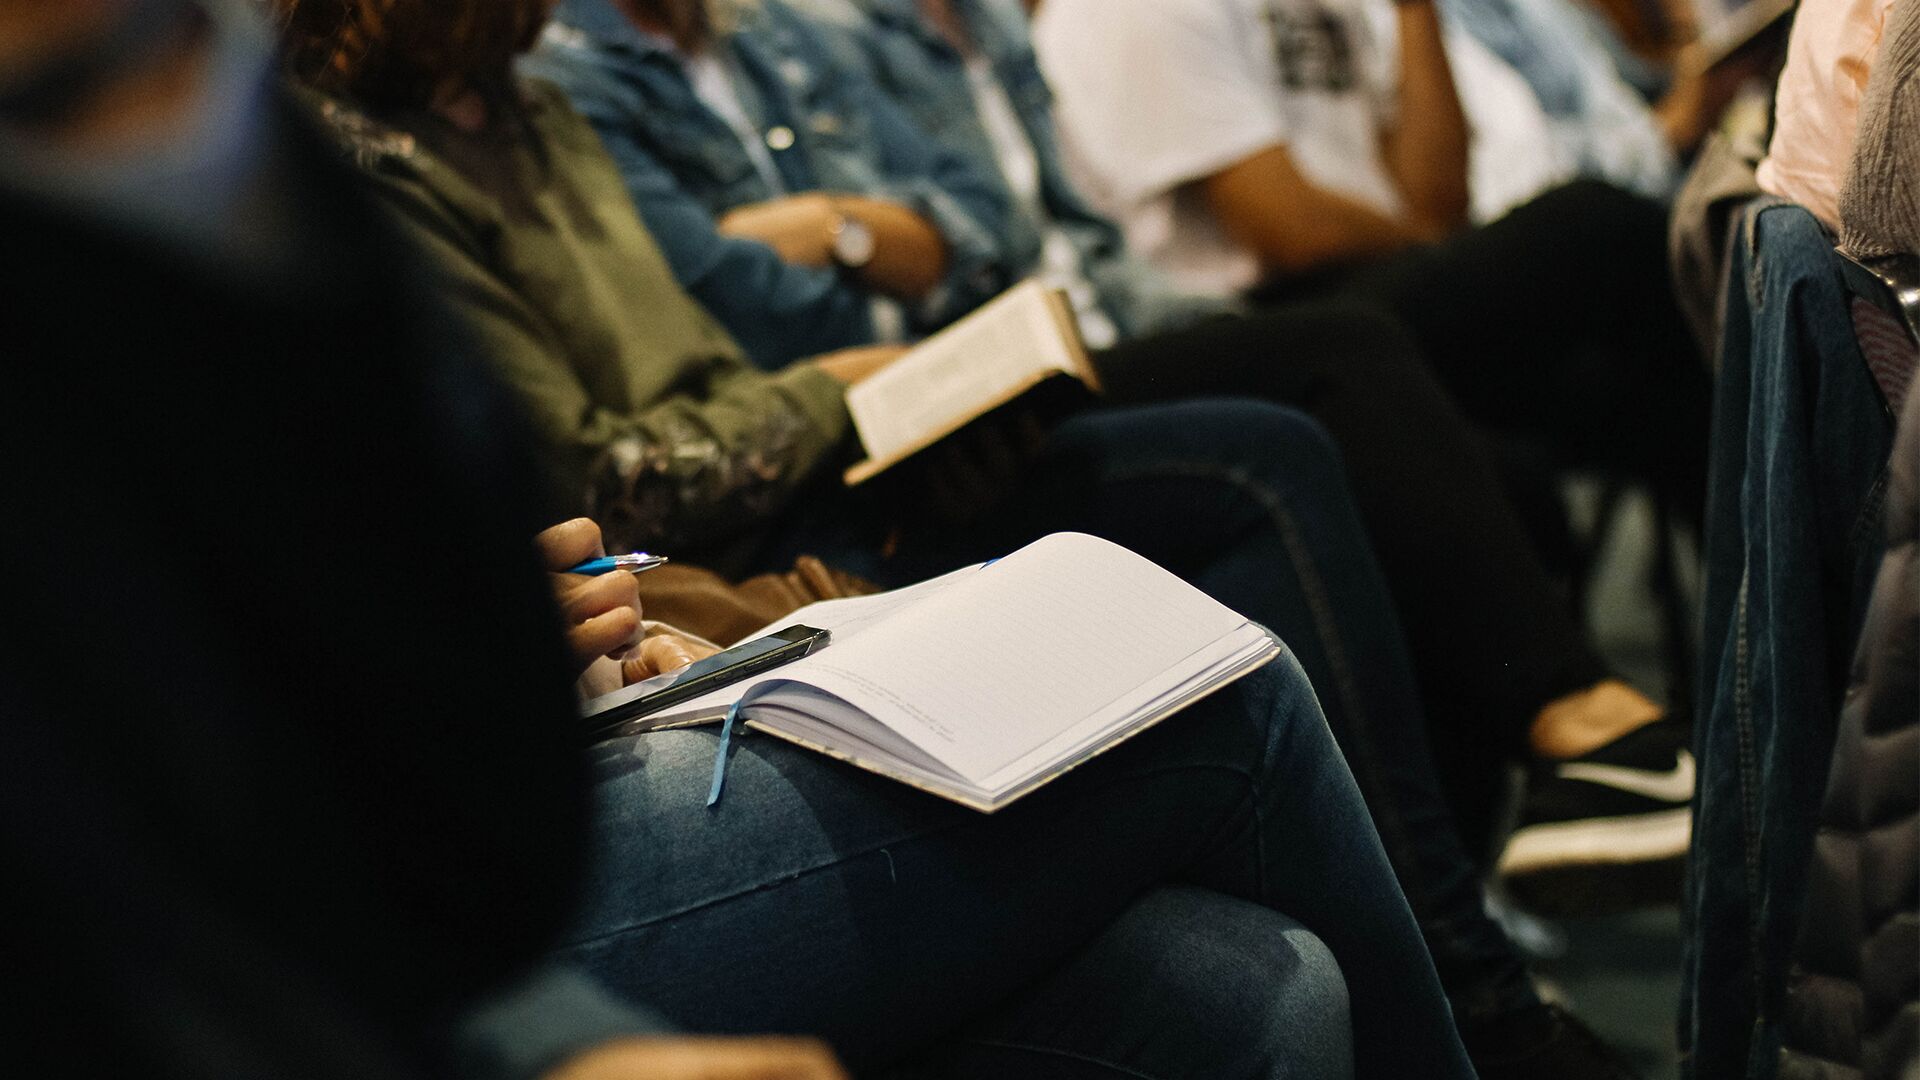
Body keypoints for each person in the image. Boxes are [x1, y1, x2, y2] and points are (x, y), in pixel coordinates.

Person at [8, 2, 1474, 1077]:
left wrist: (536, 640)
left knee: (1263, 994)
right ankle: (1498, 1012)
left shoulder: (366, 143)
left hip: (490, 815)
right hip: (364, 930)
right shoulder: (296, 175)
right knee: (1219, 686)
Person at [1030, 0, 1713, 526]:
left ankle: (1764, 617)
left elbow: (1441, 199)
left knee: (1612, 388)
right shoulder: (1131, 11)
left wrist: (1414, 11)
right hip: (1257, 324)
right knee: (1594, 224)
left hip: (1386, 277)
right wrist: (1422, 234)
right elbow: (1295, 232)